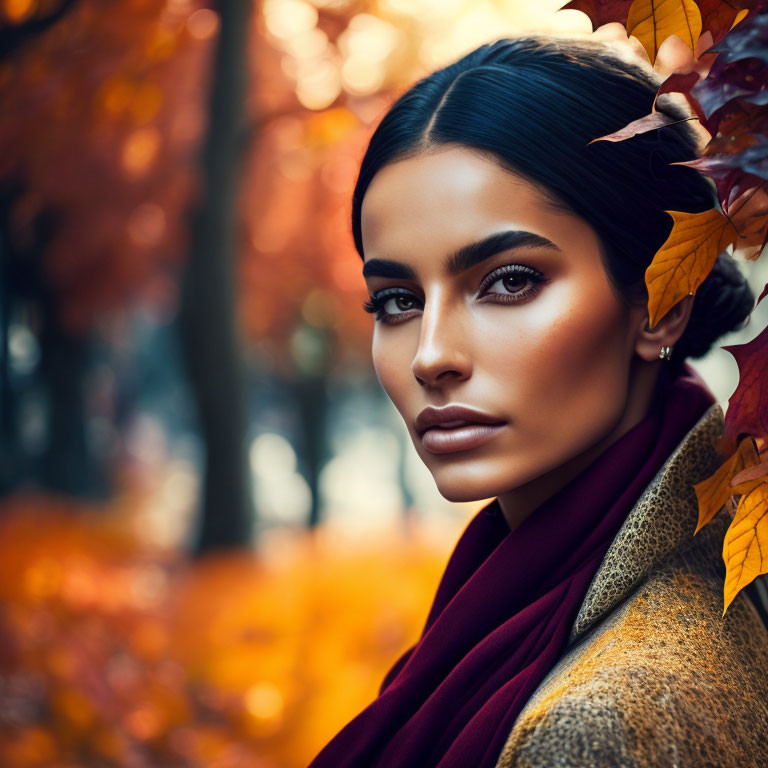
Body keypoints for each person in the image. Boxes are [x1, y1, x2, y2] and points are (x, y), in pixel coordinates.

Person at [308, 34, 768, 768]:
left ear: (661, 304)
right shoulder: (519, 606)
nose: (431, 357)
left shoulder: (604, 725)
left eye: (510, 281)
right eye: (395, 300)